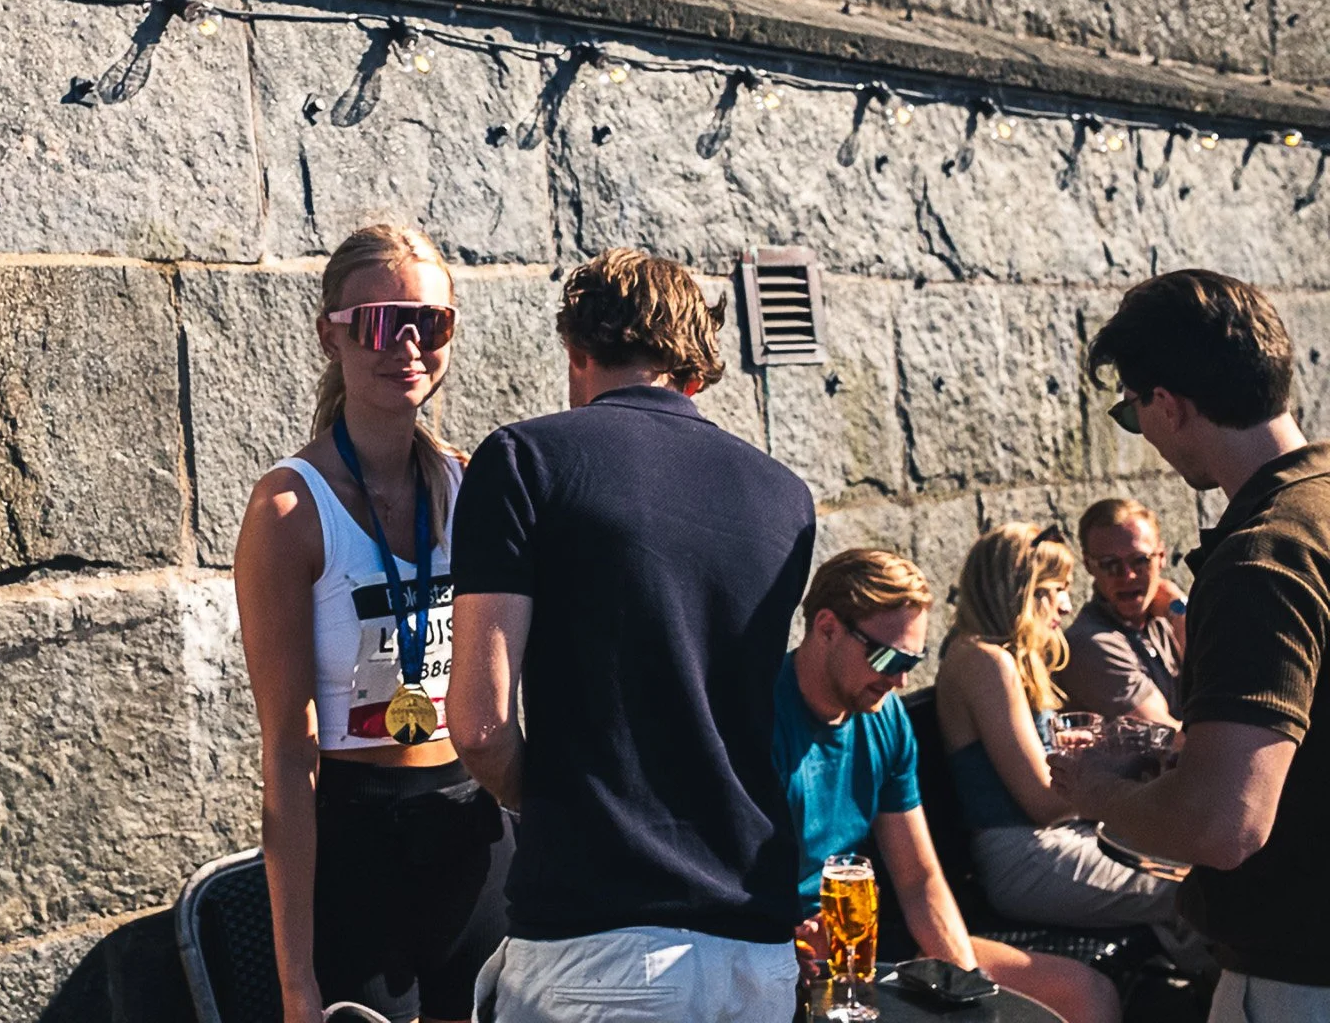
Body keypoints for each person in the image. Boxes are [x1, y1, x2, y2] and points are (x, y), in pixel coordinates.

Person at [445, 248, 815, 1021]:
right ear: (694, 369)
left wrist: (552, 808)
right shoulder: (787, 496)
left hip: (600, 941)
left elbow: (479, 728)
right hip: (756, 947)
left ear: (576, 351)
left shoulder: (524, 459)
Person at [233, 224, 512, 1023]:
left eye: (433, 323)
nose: (411, 346)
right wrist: (296, 983)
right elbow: (288, 753)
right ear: (332, 335)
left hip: (469, 822)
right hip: (355, 838)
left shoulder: (471, 485)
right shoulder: (289, 508)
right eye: (387, 322)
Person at [1056, 269, 1330, 1021]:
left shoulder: (1264, 554)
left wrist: (1098, 793)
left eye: (1131, 411)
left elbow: (1226, 822)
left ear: (1167, 405)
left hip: (1300, 980)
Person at [776, 549, 1118, 1023]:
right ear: (827, 627)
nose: (898, 680)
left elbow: (918, 878)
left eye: (912, 661)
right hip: (781, 955)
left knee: (1086, 996)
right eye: (888, 656)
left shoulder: (885, 718)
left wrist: (967, 989)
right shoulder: (760, 719)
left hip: (873, 942)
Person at [936, 523, 1203, 968]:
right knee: (1189, 886)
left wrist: (1090, 754)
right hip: (1025, 854)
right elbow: (1042, 802)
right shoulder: (984, 661)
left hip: (1063, 838)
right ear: (1019, 591)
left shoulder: (1004, 657)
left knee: (1195, 864)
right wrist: (1109, 778)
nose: (1065, 603)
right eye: (1054, 589)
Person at [1056, 498, 1184, 725]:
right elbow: (1167, 737)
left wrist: (1179, 609)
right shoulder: (1091, 644)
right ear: (1088, 565)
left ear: (1161, 557)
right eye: (1109, 564)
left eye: (1140, 561)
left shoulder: (1163, 620)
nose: (1127, 576)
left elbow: (1227, 683)